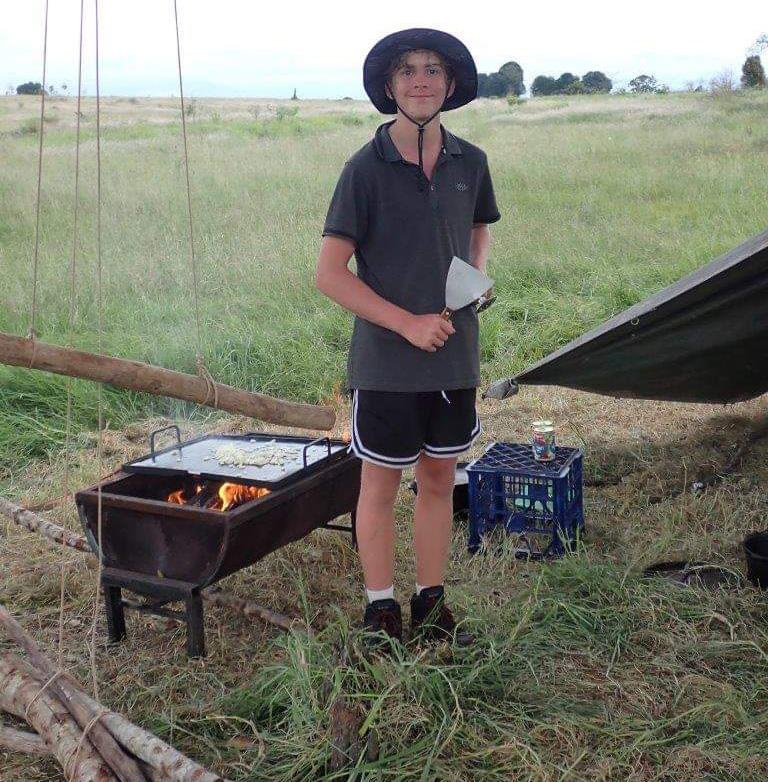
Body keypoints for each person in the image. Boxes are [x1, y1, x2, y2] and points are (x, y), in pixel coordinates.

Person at [315, 28, 500, 648]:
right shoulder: (363, 169)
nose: (421, 80)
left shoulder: (471, 162)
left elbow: (478, 229)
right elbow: (329, 274)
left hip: (454, 354)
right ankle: (380, 610)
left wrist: (472, 280)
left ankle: (431, 602)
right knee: (380, 483)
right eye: (408, 71)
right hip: (387, 362)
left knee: (440, 478)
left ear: (451, 85)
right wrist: (407, 323)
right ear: (390, 87)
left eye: (432, 70)